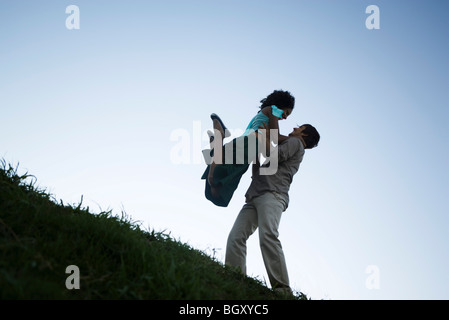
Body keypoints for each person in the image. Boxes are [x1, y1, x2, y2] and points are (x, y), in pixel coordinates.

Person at [225, 123, 320, 295]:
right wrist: (255, 154)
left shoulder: (296, 143)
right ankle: (234, 276)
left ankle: (283, 289)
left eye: (299, 127)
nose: (294, 128)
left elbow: (276, 155)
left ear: (304, 134)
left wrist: (262, 137)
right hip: (256, 195)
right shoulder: (291, 143)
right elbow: (260, 170)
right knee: (236, 236)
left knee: (268, 236)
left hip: (272, 195)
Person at [201, 90, 295, 207]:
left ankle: (218, 141)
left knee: (216, 190)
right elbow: (276, 138)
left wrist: (255, 174)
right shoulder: (273, 110)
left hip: (244, 142)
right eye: (286, 112)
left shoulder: (262, 114)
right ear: (281, 104)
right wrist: (295, 139)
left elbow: (259, 148)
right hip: (250, 144)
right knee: (220, 185)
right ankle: (219, 137)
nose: (285, 117)